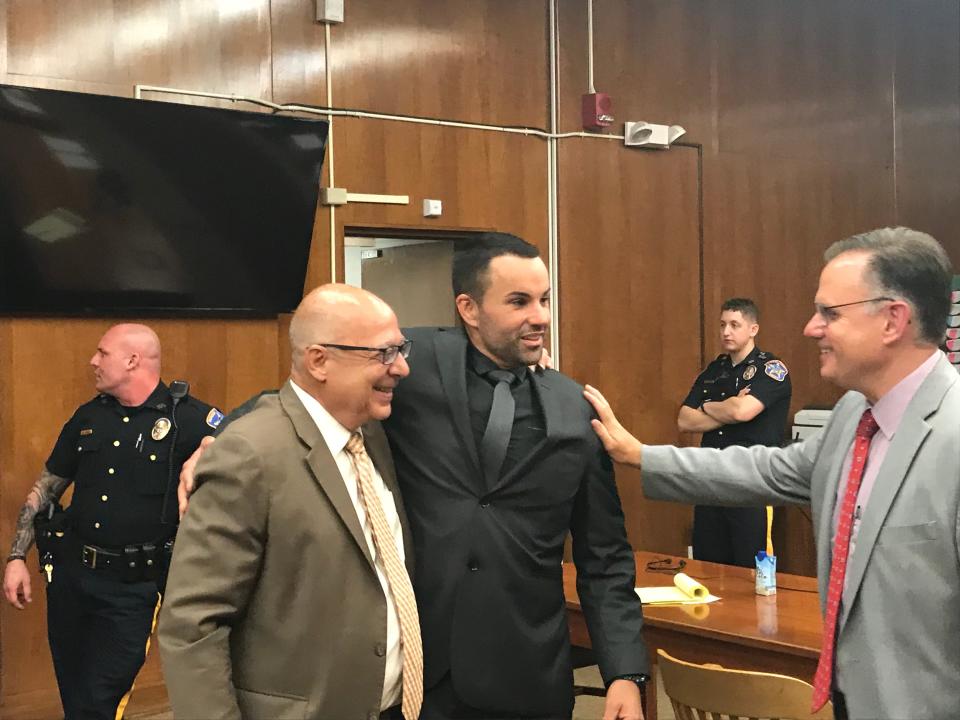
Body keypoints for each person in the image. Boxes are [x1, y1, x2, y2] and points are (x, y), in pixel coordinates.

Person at [180, 234, 648, 720]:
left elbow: (605, 556)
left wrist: (623, 672)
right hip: (414, 673)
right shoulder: (407, 363)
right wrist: (218, 442)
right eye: (519, 302)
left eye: (545, 300)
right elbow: (304, 397)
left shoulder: (578, 409)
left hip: (527, 670)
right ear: (468, 308)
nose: (541, 317)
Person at [584, 227, 959, 720]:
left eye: (830, 313)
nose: (811, 327)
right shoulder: (853, 416)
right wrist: (642, 456)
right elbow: (765, 468)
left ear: (893, 320)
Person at [158, 285, 421, 720]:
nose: (403, 367)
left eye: (401, 348)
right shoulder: (248, 454)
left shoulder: (370, 434)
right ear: (319, 361)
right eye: (384, 353)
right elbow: (192, 625)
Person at [1, 323, 220, 720]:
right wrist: (17, 556)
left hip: (132, 590)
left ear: (132, 360)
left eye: (102, 353)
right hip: (71, 579)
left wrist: (209, 448)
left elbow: (246, 439)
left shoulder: (189, 418)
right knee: (75, 693)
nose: (93, 361)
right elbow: (46, 488)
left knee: (99, 702)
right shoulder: (88, 417)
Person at [678, 298, 792, 566]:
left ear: (753, 329)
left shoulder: (770, 369)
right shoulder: (715, 370)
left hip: (750, 482)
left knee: (751, 567)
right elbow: (684, 420)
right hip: (710, 480)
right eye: (722, 325)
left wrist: (709, 408)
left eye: (734, 325)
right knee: (707, 565)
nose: (726, 332)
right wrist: (722, 408)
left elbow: (742, 412)